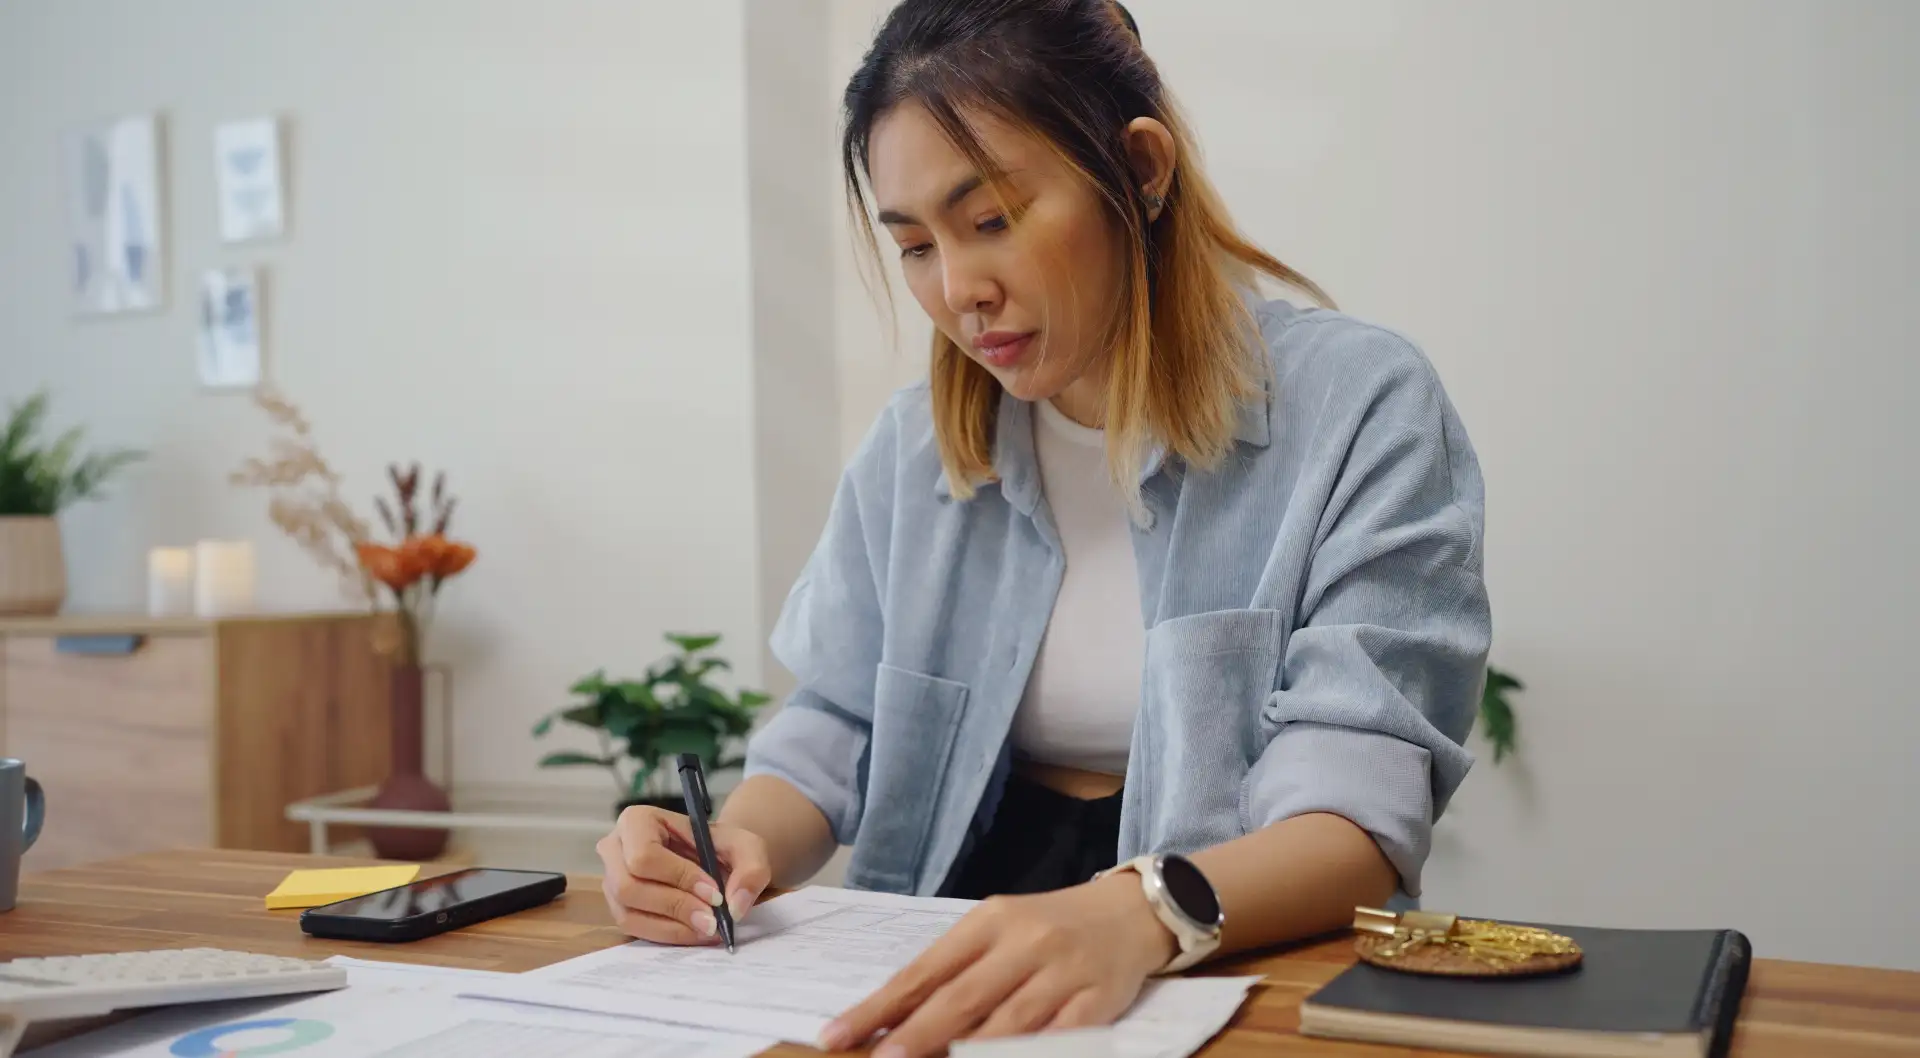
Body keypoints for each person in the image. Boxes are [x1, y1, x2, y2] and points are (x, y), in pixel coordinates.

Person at [597, 1, 1490, 1054]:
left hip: (1224, 956)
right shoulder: (915, 447)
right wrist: (729, 846)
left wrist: (1137, 912)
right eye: (916, 245)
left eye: (993, 220)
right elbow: (835, 726)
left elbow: (1354, 821)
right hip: (942, 962)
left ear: (1142, 170)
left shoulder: (1360, 407)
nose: (959, 291)